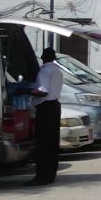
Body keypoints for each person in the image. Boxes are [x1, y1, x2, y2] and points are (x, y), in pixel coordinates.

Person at [28, 47, 65, 186]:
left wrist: (27, 90)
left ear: (43, 58)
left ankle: (42, 176)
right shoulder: (57, 71)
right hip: (55, 106)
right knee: (52, 143)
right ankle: (50, 174)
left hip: (45, 107)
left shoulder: (44, 71)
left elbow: (43, 91)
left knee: (43, 143)